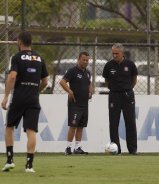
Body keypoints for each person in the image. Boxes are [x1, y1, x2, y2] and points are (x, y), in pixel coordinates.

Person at [1, 31, 49, 173]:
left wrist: (5, 97)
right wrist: (36, 91)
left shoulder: (16, 57)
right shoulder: (40, 58)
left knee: (9, 127)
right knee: (31, 130)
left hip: (19, 97)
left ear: (19, 43)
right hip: (33, 98)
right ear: (31, 43)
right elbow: (45, 81)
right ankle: (29, 165)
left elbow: (12, 77)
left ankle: (10, 161)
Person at [102, 43, 138, 155]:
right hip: (114, 96)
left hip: (127, 95)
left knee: (130, 122)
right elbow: (106, 81)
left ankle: (132, 149)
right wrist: (115, 89)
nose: (114, 55)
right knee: (113, 123)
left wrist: (127, 89)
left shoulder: (130, 64)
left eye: (116, 53)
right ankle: (115, 149)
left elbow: (134, 79)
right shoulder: (108, 65)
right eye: (113, 53)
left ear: (122, 53)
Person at [60, 51, 93, 155]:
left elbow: (89, 84)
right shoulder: (72, 71)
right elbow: (62, 82)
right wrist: (69, 91)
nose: (85, 62)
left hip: (84, 103)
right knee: (73, 125)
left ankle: (77, 147)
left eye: (87, 60)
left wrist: (90, 91)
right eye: (83, 59)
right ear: (78, 59)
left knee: (81, 125)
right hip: (75, 103)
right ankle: (68, 148)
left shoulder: (88, 72)